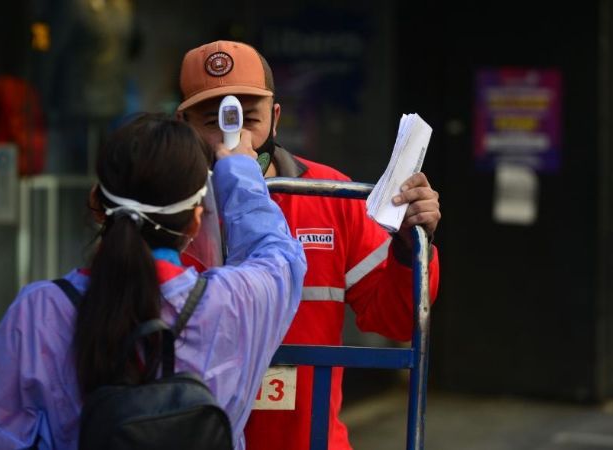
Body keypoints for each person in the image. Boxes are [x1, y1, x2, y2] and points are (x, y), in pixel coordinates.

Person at [0, 114, 306, 449]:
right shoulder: (236, 302)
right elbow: (279, 255)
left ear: (96, 204)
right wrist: (239, 171)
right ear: (196, 221)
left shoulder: (41, 311)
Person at [177, 40, 441, 450]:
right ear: (183, 126)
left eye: (248, 119)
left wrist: (410, 247)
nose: (234, 140)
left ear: (276, 118)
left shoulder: (330, 195)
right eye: (213, 122)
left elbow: (394, 320)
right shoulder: (162, 205)